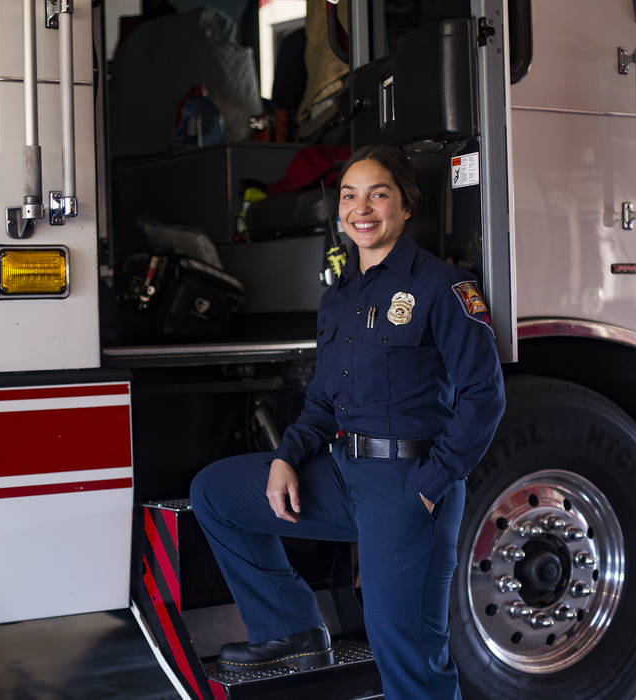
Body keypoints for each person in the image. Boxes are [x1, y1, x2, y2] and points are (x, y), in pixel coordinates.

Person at [190, 145, 505, 698]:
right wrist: (287, 456)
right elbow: (321, 401)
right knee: (215, 492)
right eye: (349, 196)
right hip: (341, 473)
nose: (362, 208)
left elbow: (484, 397)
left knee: (407, 656)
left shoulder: (444, 287)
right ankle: (290, 629)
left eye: (378, 194)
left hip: (407, 486)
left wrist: (430, 488)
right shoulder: (339, 298)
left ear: (406, 207)